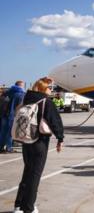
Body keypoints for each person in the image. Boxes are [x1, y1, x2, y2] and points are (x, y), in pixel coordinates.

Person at [13, 77, 64, 213]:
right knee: (35, 175)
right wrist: (60, 138)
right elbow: (55, 121)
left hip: (26, 139)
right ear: (43, 89)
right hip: (40, 141)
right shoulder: (45, 101)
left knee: (27, 171)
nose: (51, 90)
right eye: (49, 87)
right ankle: (28, 207)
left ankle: (18, 205)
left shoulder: (26, 99)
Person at [0, 80, 26, 153]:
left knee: (2, 132)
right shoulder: (21, 94)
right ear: (20, 86)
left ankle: (0, 147)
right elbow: (20, 106)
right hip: (12, 115)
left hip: (3, 115)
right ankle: (9, 148)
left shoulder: (6, 93)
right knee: (10, 133)